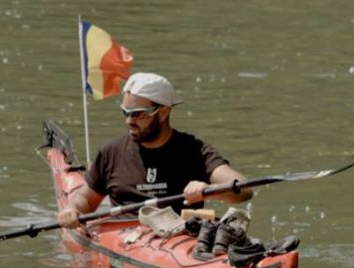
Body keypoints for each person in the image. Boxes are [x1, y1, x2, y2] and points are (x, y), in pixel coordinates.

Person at [57, 72, 253, 229]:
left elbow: (244, 190)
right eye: (125, 112)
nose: (129, 121)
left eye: (138, 114)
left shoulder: (194, 150)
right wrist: (73, 209)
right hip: (127, 238)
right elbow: (86, 199)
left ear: (164, 112)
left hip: (178, 235)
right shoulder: (111, 152)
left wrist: (209, 191)